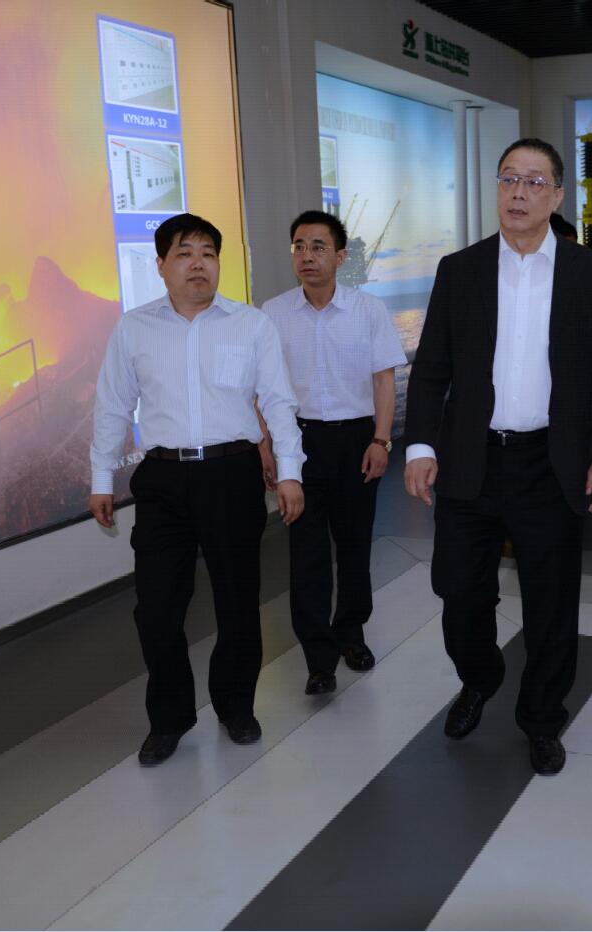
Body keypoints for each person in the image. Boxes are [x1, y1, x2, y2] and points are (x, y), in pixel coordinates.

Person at [403, 138, 592, 775]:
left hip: (552, 463)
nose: (519, 193)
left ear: (557, 195)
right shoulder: (461, 269)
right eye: (508, 179)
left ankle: (542, 718)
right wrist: (419, 445)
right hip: (471, 461)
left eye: (533, 181)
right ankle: (480, 676)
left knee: (551, 603)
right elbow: (432, 367)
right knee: (458, 591)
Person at [89, 213, 305, 767]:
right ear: (161, 265)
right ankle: (169, 719)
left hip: (232, 475)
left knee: (238, 601)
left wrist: (289, 472)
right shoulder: (134, 329)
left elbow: (278, 401)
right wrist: (101, 478)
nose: (198, 264)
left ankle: (235, 707)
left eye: (208, 253)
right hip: (163, 481)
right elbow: (113, 406)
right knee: (157, 609)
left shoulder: (250, 325)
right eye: (184, 253)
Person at [261, 210, 406, 696]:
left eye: (318, 246)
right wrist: (267, 447)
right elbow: (262, 388)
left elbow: (383, 380)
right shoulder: (273, 313)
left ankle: (351, 634)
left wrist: (381, 441)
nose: (307, 256)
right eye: (299, 246)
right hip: (298, 443)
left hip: (356, 440)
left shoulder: (368, 311)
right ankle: (318, 658)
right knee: (306, 555)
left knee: (354, 545)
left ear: (341, 257)